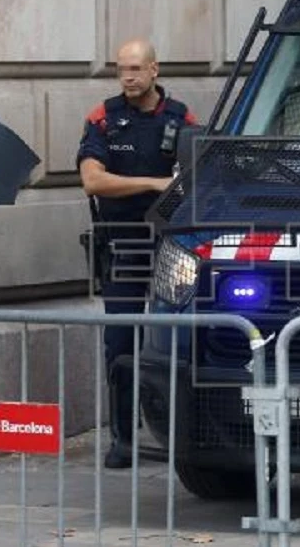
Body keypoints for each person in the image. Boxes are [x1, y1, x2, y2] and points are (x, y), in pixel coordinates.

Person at [75, 38, 197, 468]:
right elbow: (93, 180)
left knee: (177, 341)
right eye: (121, 69)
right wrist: (152, 183)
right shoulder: (104, 119)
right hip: (123, 242)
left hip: (171, 245)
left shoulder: (182, 119)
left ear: (154, 70)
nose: (128, 77)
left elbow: (196, 178)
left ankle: (180, 434)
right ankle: (123, 438)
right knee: (121, 342)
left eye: (135, 69)